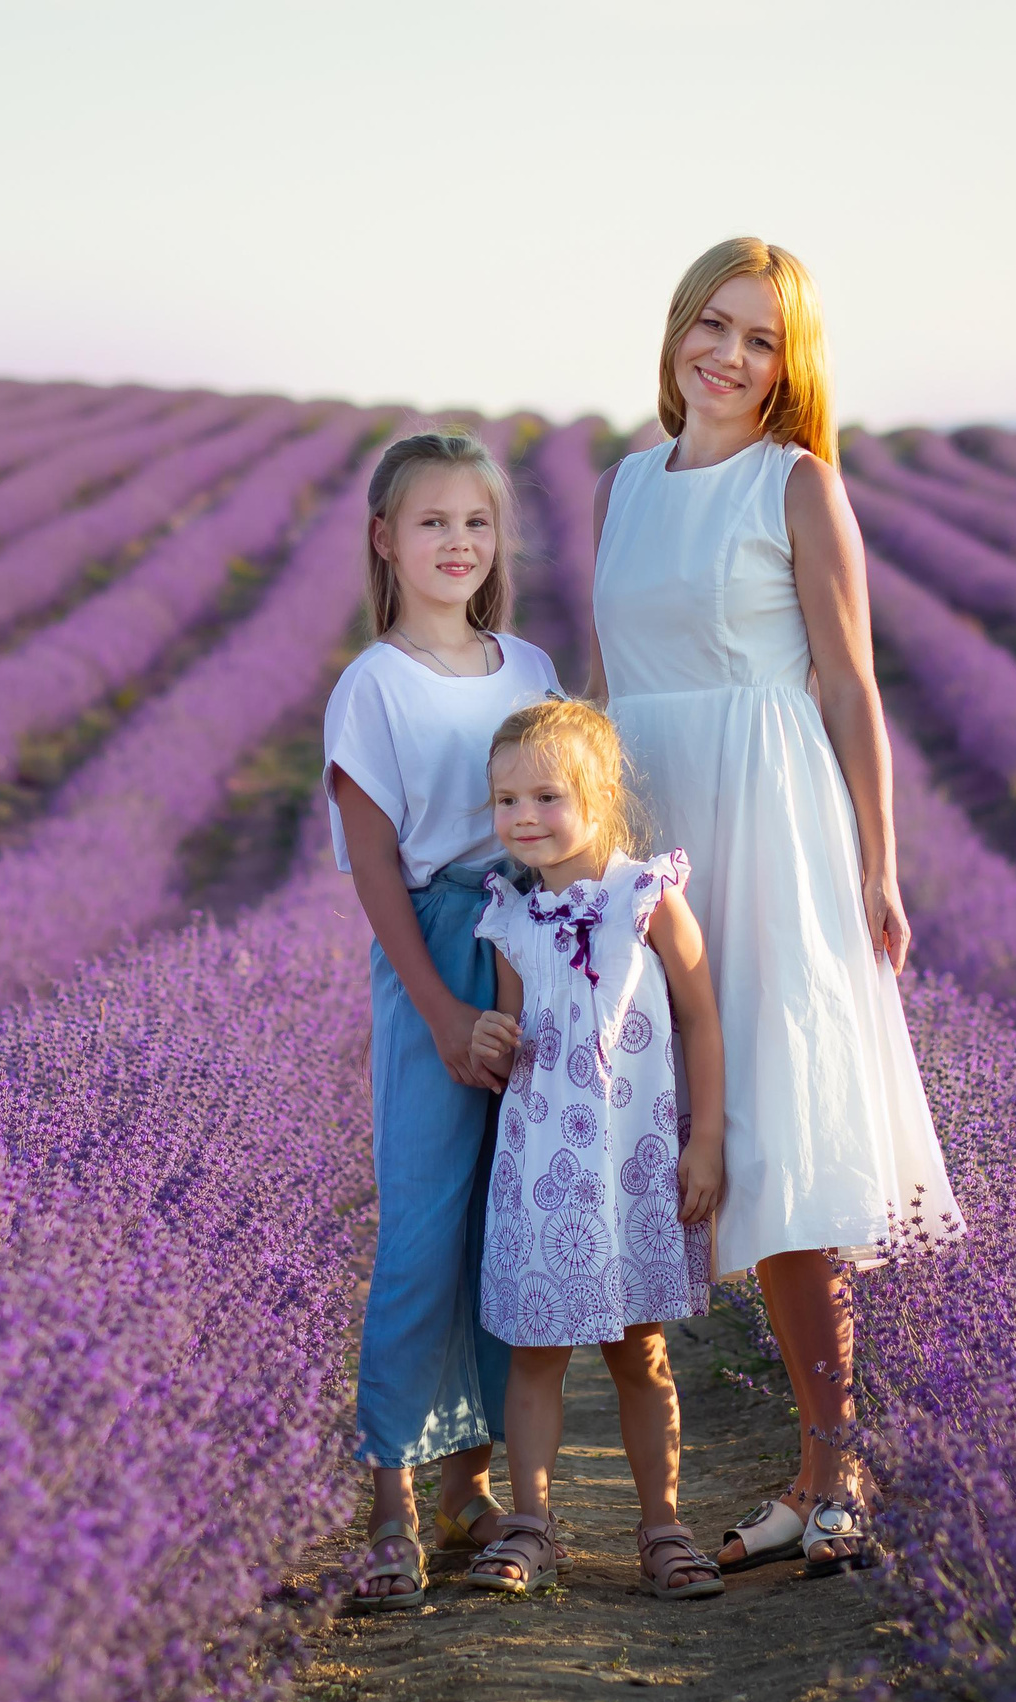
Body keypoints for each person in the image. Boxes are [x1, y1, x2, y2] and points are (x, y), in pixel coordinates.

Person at [585, 238, 965, 1576]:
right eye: (714, 323)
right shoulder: (622, 488)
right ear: (679, 328)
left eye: (761, 338)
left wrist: (880, 859)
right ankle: (636, 1479)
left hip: (777, 821)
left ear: (790, 366)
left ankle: (830, 1465)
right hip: (656, 824)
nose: (730, 355)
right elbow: (613, 680)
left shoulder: (798, 483)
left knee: (785, 1132)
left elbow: (851, 685)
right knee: (663, 1132)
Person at [324, 429, 564, 1611]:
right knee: (421, 1237)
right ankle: (390, 1503)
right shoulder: (370, 684)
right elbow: (374, 871)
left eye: (475, 521)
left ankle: (473, 1488)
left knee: (505, 1235)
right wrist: (437, 1013)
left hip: (534, 948)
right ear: (385, 540)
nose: (457, 542)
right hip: (434, 953)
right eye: (430, 522)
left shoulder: (530, 665)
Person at [457, 699, 728, 1600]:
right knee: (536, 1351)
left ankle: (662, 1525)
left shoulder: (648, 896)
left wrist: (711, 1140)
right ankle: (531, 1525)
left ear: (600, 795)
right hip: (540, 1173)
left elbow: (700, 1018)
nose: (522, 817)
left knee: (641, 1352)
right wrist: (493, 1039)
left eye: (545, 795)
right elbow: (511, 1024)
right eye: (505, 801)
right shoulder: (510, 915)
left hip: (632, 1163)